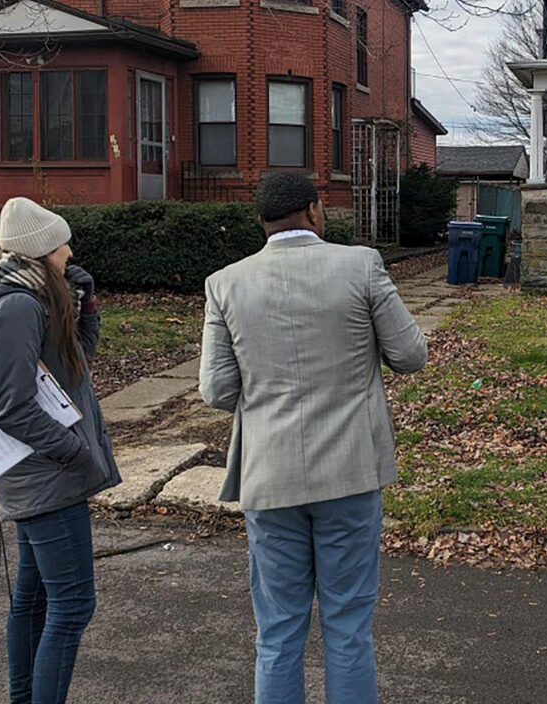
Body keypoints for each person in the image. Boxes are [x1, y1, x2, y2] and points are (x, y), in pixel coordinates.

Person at [199, 172, 427, 704]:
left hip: (270, 475)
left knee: (277, 634)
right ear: (314, 211)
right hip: (350, 472)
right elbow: (411, 355)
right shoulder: (360, 265)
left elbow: (215, 388)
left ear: (262, 222)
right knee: (348, 628)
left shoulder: (225, 282)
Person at [0, 196, 120, 704]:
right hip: (47, 476)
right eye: (62, 244)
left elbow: (73, 369)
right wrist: (74, 452)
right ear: (41, 251)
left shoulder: (32, 300)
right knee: (71, 606)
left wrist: (85, 308)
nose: (70, 252)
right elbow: (13, 408)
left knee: (33, 599)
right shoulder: (14, 309)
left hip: (43, 473)